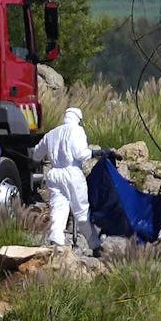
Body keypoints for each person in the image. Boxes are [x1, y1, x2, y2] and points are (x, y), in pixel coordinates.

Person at [32, 107, 102, 257]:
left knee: (58, 208)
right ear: (78, 119)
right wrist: (97, 153)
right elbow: (80, 154)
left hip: (54, 174)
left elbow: (36, 154)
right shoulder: (77, 130)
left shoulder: (51, 133)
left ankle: (56, 242)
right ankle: (95, 246)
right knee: (81, 212)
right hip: (72, 173)